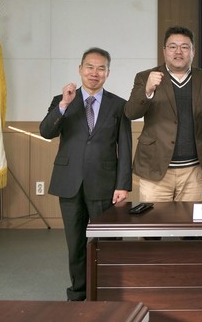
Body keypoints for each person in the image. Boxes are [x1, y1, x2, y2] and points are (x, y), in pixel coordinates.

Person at [39, 47, 132, 301]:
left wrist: (123, 184)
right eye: (89, 67)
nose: (94, 73)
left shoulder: (119, 105)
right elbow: (46, 132)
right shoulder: (63, 100)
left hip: (105, 184)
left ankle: (109, 292)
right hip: (69, 183)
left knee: (108, 242)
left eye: (101, 68)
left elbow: (125, 147)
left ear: (108, 73)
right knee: (76, 244)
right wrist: (63, 105)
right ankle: (78, 294)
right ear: (80, 69)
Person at [125, 26, 202, 202]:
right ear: (164, 50)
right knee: (154, 219)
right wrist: (147, 90)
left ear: (193, 51)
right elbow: (131, 113)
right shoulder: (145, 77)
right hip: (155, 168)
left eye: (185, 47)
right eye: (173, 47)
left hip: (195, 171)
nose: (178, 52)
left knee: (191, 219)